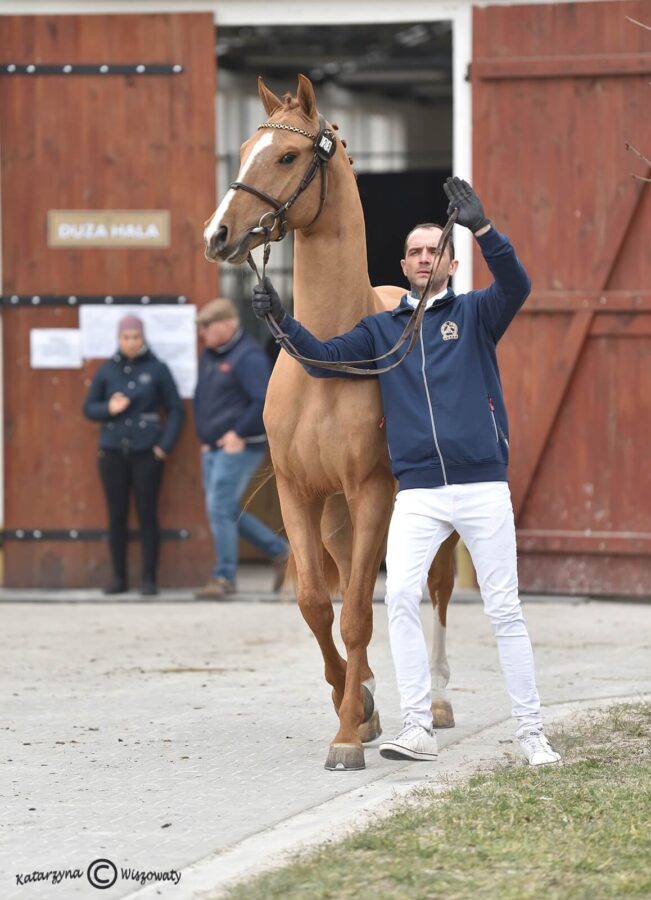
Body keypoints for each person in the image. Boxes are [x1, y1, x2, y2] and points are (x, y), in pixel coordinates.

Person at [251, 177, 562, 768]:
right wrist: (280, 323)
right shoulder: (381, 329)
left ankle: (532, 732)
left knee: (505, 610)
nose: (424, 259)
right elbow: (324, 357)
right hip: (418, 490)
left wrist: (484, 229)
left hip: (479, 485)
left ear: (448, 262)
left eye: (434, 252)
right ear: (404, 264)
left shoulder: (476, 315)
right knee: (397, 599)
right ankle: (417, 726)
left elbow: (518, 284)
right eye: (416, 253)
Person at [193, 297, 289, 599]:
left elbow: (262, 400)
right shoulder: (211, 355)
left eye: (207, 327)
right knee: (224, 510)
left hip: (239, 446)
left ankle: (224, 578)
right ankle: (281, 553)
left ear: (227, 324)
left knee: (219, 508)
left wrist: (238, 433)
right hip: (214, 447)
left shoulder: (248, 357)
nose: (203, 333)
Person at [83, 314, 185, 595]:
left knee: (147, 514)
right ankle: (119, 579)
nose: (130, 342)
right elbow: (89, 408)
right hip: (112, 451)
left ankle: (149, 579)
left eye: (135, 337)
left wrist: (163, 447)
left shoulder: (157, 369)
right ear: (118, 339)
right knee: (116, 516)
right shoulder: (107, 370)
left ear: (143, 338)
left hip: (146, 452)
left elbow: (176, 410)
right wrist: (108, 409)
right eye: (126, 337)